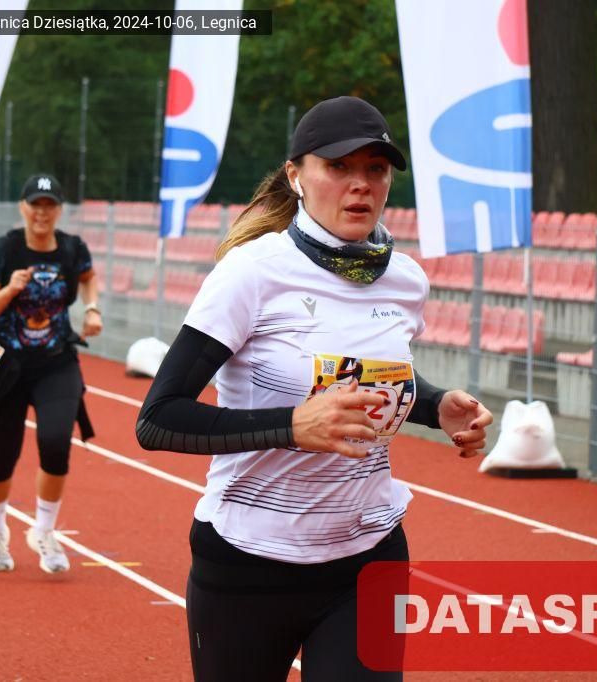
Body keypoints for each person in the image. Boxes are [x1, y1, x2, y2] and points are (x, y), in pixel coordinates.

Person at [136, 96, 493, 681]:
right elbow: (158, 419)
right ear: (296, 175)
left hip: (368, 555)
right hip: (249, 563)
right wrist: (291, 426)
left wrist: (434, 405)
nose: (361, 184)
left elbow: (369, 373)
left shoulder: (405, 280)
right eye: (339, 166)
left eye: (376, 168)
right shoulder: (252, 272)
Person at [0, 173, 102, 573]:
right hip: (6, 366)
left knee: (56, 442)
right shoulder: (5, 249)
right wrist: (10, 289)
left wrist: (92, 308)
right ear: (23, 208)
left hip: (56, 361)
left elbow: (88, 277)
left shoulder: (72, 248)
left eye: (49, 205)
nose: (42, 213)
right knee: (3, 456)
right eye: (35, 204)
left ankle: (43, 530)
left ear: (59, 210)